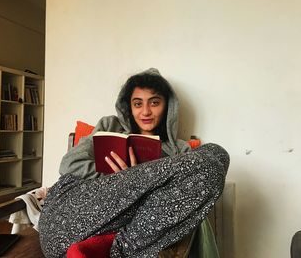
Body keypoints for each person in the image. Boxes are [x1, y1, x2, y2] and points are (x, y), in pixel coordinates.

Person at [39, 68, 230, 258]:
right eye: (137, 104)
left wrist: (139, 178)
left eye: (154, 102)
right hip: (69, 215)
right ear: (128, 107)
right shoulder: (110, 126)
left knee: (217, 155)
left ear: (168, 106)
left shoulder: (179, 150)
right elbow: (69, 164)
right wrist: (125, 177)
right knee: (210, 163)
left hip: (126, 222)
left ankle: (120, 251)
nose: (145, 111)